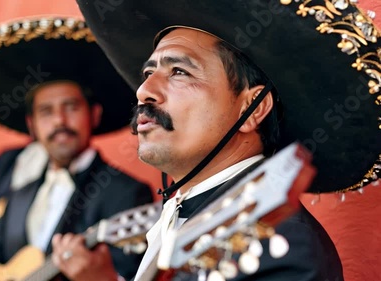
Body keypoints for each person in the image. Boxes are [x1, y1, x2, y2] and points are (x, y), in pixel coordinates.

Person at [51, 0, 381, 280]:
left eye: (179, 72)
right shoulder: (185, 213)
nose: (144, 91)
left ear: (253, 108)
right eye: (149, 73)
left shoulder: (284, 245)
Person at [0, 16, 154, 281]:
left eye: (71, 107)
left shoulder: (126, 194)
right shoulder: (22, 187)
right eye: (46, 112)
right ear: (32, 126)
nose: (59, 121)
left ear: (95, 115)